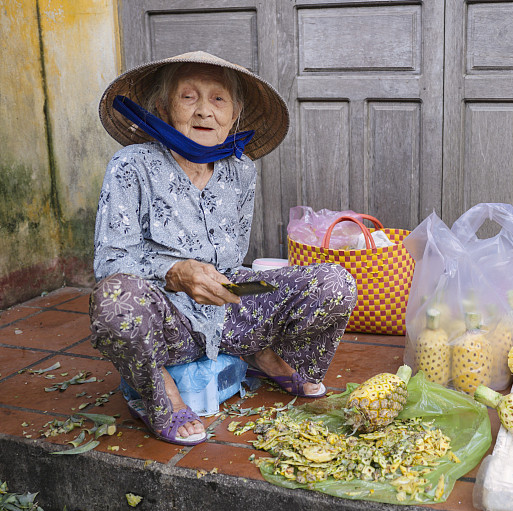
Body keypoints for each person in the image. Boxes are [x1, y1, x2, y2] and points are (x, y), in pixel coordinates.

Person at [91, 51, 357, 446]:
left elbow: (233, 261)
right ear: (164, 108)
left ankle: (261, 353)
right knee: (115, 300)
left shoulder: (241, 168)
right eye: (188, 97)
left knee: (334, 282)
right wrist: (175, 271)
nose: (204, 111)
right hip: (168, 319)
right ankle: (160, 390)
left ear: (234, 116)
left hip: (229, 301)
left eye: (218, 99)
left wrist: (231, 290)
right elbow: (110, 260)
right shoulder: (132, 165)